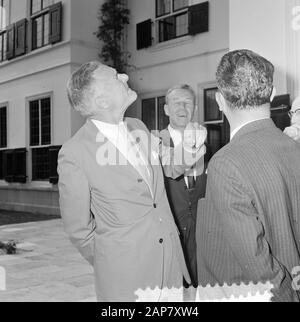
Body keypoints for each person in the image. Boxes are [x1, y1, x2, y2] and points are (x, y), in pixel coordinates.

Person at [58, 61, 207, 302]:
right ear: (102, 101)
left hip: (170, 269)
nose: (126, 77)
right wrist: (113, 260)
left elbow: (170, 165)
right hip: (126, 282)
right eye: (116, 77)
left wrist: (190, 145)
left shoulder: (137, 127)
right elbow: (79, 230)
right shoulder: (74, 153)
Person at [196, 49, 300, 302]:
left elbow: (255, 261)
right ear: (273, 95)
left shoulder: (226, 162)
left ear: (220, 100)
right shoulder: (294, 148)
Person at [160, 85, 207, 288]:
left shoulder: (208, 140)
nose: (182, 107)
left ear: (195, 108)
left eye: (187, 102)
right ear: (166, 109)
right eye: (176, 102)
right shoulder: (154, 142)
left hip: (200, 227)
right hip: (171, 226)